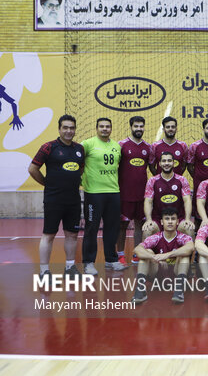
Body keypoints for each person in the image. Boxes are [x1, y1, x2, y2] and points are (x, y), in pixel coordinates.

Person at [28, 115, 84, 277]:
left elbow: (80, 169)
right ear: (59, 129)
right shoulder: (48, 147)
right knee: (49, 234)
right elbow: (33, 169)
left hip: (73, 200)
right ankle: (44, 271)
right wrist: (47, 183)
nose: (69, 131)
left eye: (72, 128)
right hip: (54, 200)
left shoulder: (79, 149)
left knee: (72, 235)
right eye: (65, 127)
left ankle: (70, 268)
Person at [81, 117, 126, 275]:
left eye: (107, 126)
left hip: (113, 192)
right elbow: (78, 164)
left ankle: (111, 260)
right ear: (96, 128)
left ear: (111, 129)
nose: (105, 129)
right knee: (91, 228)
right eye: (102, 126)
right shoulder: (88, 144)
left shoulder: (116, 146)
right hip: (94, 193)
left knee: (112, 228)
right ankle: (88, 262)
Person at [131, 207, 194, 304]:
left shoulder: (182, 237)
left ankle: (179, 290)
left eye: (173, 219)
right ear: (161, 222)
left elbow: (190, 248)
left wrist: (166, 255)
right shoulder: (156, 237)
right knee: (147, 252)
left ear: (177, 222)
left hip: (176, 274)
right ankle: (140, 290)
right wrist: (154, 257)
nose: (170, 222)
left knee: (184, 255)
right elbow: (137, 249)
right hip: (157, 275)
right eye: (167, 219)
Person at [117, 116, 151, 265]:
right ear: (131, 127)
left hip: (142, 194)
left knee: (140, 225)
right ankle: (120, 254)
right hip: (124, 194)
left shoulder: (148, 147)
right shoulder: (121, 145)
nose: (139, 129)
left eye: (141, 126)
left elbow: (153, 169)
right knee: (122, 226)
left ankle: (137, 252)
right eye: (136, 126)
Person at [143, 152, 195, 238]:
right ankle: (147, 251)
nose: (166, 163)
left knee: (189, 229)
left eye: (169, 161)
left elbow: (187, 200)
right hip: (158, 220)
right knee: (147, 230)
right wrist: (148, 220)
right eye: (164, 161)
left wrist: (187, 219)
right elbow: (148, 201)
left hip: (178, 219)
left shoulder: (182, 180)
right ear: (159, 164)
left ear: (174, 163)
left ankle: (191, 252)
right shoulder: (152, 181)